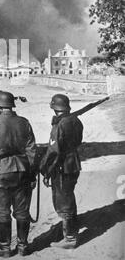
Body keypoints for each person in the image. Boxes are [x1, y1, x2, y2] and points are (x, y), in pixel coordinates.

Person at [0, 91, 38, 258]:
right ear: (11, 106)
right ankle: (23, 246)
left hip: (2, 171)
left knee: (2, 211)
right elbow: (32, 150)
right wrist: (32, 173)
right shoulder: (24, 123)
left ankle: (4, 248)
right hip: (22, 171)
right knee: (22, 211)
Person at [40, 94, 83, 249]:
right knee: (69, 196)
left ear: (55, 108)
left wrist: (45, 170)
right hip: (74, 164)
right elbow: (77, 141)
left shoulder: (60, 125)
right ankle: (72, 229)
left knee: (64, 201)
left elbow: (54, 151)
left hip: (62, 166)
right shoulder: (76, 121)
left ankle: (70, 238)